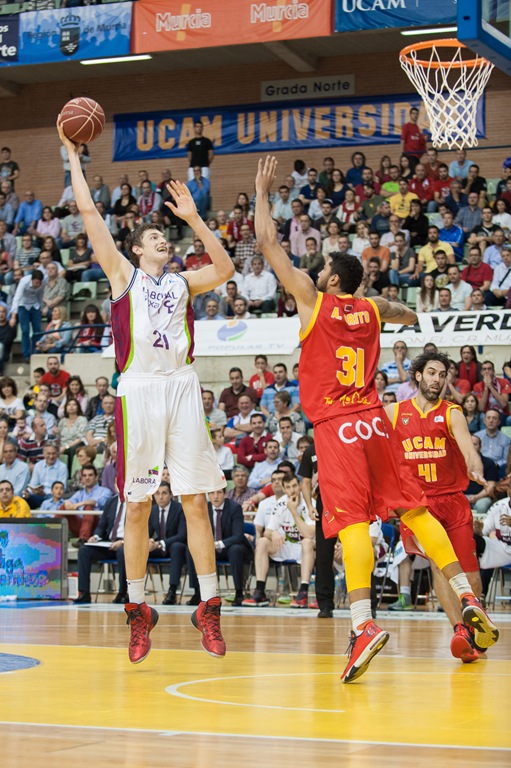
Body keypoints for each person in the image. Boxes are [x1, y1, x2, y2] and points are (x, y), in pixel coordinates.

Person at [254, 155, 498, 682]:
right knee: (412, 510)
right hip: (376, 422)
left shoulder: (314, 303)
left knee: (352, 525)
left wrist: (261, 193)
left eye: (321, 271)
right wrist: (390, 309)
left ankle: (363, 624)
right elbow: (403, 312)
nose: (315, 275)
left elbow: (270, 245)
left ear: (331, 278)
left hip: (338, 428)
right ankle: (465, 595)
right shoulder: (368, 310)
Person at [59, 119, 233, 662]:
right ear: (136, 249)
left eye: (166, 236)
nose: (164, 239)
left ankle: (209, 608)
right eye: (155, 236)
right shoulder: (122, 276)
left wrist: (194, 219)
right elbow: (89, 214)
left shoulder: (182, 281)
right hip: (138, 390)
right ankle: (138, 612)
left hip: (180, 386)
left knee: (196, 502)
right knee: (136, 507)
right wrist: (72, 156)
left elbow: (224, 267)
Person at [385, 351, 491, 662]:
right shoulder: (393, 412)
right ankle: (461, 630)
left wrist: (476, 468)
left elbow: (468, 449)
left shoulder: (452, 412)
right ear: (418, 376)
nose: (437, 379)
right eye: (432, 373)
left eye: (442, 375)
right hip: (418, 506)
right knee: (439, 566)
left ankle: (475, 631)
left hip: (453, 500)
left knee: (469, 575)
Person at [187, 488, 253, 607]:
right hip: (210, 548)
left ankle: (239, 593)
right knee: (193, 550)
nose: (215, 496)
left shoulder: (234, 508)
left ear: (225, 494)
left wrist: (217, 544)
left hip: (230, 546)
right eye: (212, 493)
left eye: (219, 493)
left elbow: (238, 536)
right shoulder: (204, 508)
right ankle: (197, 592)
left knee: (235, 550)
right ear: (208, 495)